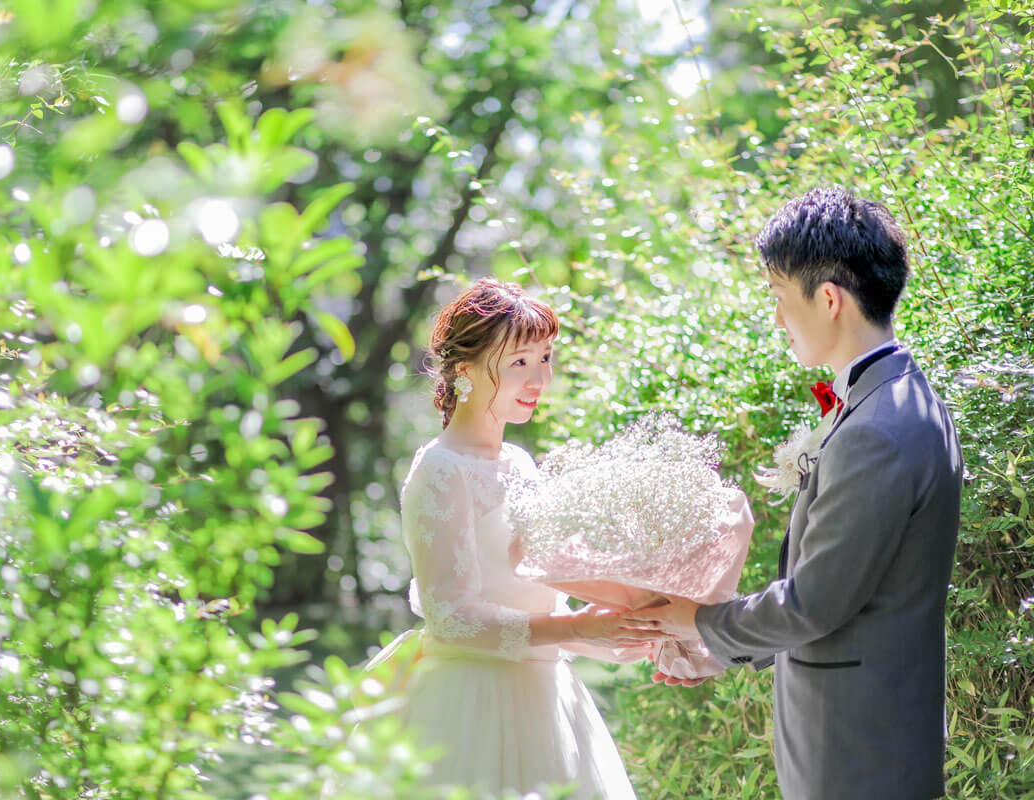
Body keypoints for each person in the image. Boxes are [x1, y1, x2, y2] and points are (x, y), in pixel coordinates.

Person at [630, 187, 963, 800]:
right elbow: (855, 595)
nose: (779, 318)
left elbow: (814, 602)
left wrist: (697, 622)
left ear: (829, 299)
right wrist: (724, 652)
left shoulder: (878, 430)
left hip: (858, 752)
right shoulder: (893, 403)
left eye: (781, 299)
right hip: (862, 735)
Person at [390, 278, 649, 798]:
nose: (540, 378)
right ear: (463, 370)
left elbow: (539, 601)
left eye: (545, 357)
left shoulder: (520, 464)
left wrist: (624, 633)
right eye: (519, 363)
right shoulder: (441, 470)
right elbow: (453, 616)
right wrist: (578, 627)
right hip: (470, 706)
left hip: (549, 702)